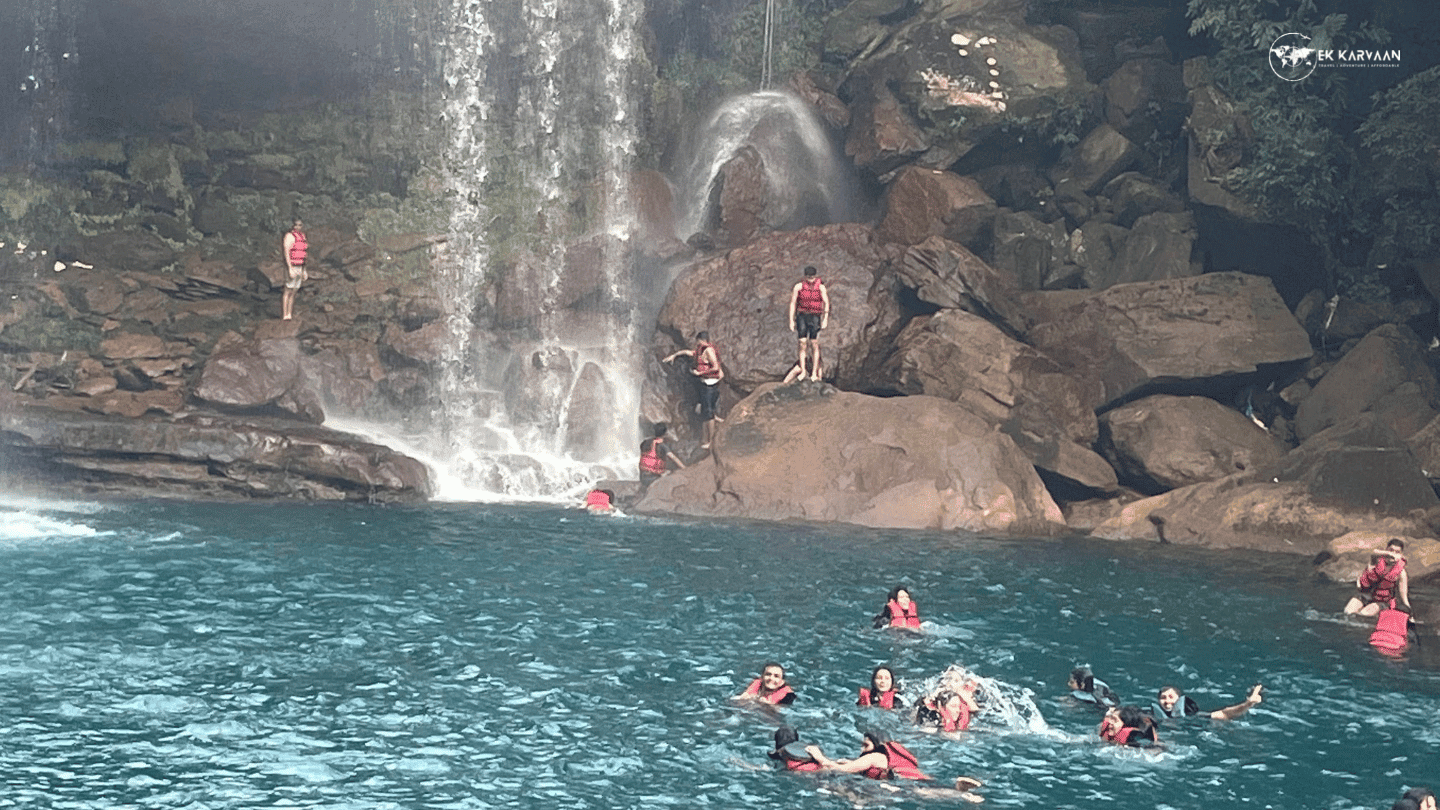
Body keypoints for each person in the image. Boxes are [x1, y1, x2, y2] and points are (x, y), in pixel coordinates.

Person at [663, 331, 724, 449]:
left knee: (708, 413)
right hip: (704, 383)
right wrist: (675, 355)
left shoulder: (708, 350)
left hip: (709, 384)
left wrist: (700, 372)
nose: (696, 344)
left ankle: (711, 441)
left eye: (698, 341)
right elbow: (688, 352)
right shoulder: (701, 350)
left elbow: (715, 366)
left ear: (701, 340)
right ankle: (705, 438)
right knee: (704, 412)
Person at [804, 731, 930, 780]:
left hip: (916, 787)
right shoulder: (882, 758)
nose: (862, 749)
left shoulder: (874, 757)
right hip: (921, 784)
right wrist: (852, 763)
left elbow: (840, 769)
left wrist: (819, 756)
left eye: (866, 745)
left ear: (876, 745)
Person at [1345, 538, 1411, 616]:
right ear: (1386, 550)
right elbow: (1374, 553)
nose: (1393, 554)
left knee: (1363, 614)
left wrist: (1409, 612)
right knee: (1348, 612)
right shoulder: (1375, 560)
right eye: (1391, 550)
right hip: (1365, 595)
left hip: (1381, 602)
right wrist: (1389, 554)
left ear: (1401, 555)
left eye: (1397, 552)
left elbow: (1404, 596)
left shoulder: (1401, 573)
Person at [787, 265, 830, 381]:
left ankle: (815, 373)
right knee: (802, 343)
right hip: (802, 316)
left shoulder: (820, 287)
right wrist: (791, 320)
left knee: (814, 343)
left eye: (812, 277)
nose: (811, 279)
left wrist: (825, 318)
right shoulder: (799, 287)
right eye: (808, 277)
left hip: (815, 316)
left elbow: (826, 302)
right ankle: (803, 370)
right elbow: (793, 303)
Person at [1151, 683, 1263, 720]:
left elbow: (1224, 713)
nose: (1167, 701)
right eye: (1163, 698)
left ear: (1179, 699)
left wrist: (1248, 703)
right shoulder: (1152, 716)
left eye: (1171, 697)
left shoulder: (1192, 716)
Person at [915, 683, 980, 732]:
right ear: (941, 707)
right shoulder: (929, 720)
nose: (958, 710)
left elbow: (976, 710)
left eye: (959, 706)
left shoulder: (963, 716)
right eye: (953, 706)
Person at [638, 422, 685, 489]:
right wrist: (685, 468)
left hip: (642, 478)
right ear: (665, 434)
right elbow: (674, 458)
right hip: (653, 478)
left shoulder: (645, 443)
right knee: (673, 473)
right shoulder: (662, 446)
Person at [281, 217, 308, 321]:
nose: (298, 227)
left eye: (300, 225)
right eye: (296, 225)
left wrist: (304, 270)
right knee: (288, 290)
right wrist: (290, 268)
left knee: (294, 291)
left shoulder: (303, 236)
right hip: (292, 266)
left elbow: (305, 254)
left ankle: (290, 313)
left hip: (300, 266)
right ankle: (285, 314)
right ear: (293, 226)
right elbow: (287, 253)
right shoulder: (289, 236)